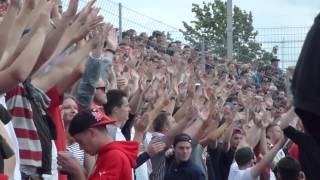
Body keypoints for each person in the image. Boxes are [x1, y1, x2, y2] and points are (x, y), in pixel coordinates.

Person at [59, 109, 139, 180]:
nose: (80, 147)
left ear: (91, 133)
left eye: (80, 141)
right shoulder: (106, 154)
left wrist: (78, 172)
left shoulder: (114, 156)